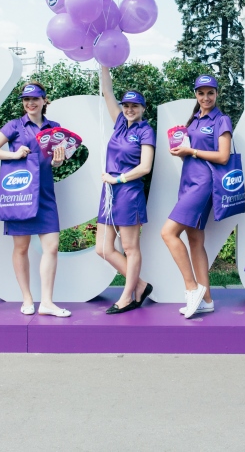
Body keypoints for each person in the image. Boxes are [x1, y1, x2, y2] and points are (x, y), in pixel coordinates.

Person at [0, 82, 70, 317]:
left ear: (44, 100)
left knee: (52, 247)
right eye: (26, 100)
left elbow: (57, 160)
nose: (30, 103)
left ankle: (47, 302)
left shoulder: (55, 128)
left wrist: (58, 161)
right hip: (20, 195)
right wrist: (13, 154)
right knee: (21, 247)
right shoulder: (14, 125)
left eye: (35, 99)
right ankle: (27, 298)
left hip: (45, 195)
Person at [161, 74, 233, 319]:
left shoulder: (221, 120)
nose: (206, 97)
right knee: (194, 240)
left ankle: (192, 288)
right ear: (196, 94)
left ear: (217, 93)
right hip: (188, 181)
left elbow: (223, 156)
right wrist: (181, 152)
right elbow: (191, 151)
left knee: (168, 233)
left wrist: (191, 150)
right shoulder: (193, 120)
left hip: (204, 183)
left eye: (210, 93)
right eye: (201, 93)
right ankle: (207, 300)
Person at [94, 66, 156, 314]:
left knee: (130, 248)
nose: (129, 109)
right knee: (103, 248)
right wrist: (104, 64)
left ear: (143, 108)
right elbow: (107, 92)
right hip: (110, 193)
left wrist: (118, 179)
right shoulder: (120, 123)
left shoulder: (145, 131)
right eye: (126, 105)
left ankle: (127, 296)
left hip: (129, 193)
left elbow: (145, 167)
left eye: (134, 106)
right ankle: (140, 285)